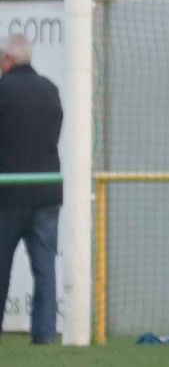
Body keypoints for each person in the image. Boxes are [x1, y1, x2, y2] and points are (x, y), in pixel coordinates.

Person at [0, 34, 62, 346]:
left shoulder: (2, 91)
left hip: (8, 195)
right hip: (46, 192)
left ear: (8, 61)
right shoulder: (51, 90)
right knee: (45, 270)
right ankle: (45, 336)